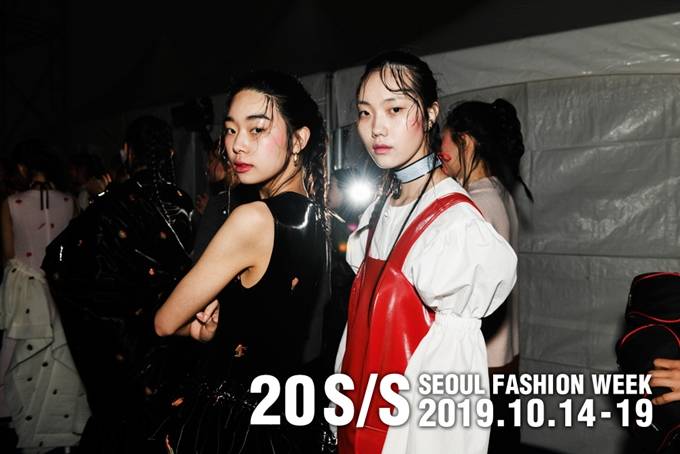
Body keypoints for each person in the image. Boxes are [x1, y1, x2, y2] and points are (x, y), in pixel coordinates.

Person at [337, 51, 517, 454]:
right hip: (357, 425)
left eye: (395, 108)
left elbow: (451, 395)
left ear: (431, 113)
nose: (376, 127)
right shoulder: (379, 208)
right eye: (365, 113)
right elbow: (353, 340)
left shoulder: (454, 226)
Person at [153, 70, 334, 453]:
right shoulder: (319, 218)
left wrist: (200, 331)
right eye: (231, 130)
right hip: (285, 421)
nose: (237, 145)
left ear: (298, 139)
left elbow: (165, 322)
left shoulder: (251, 219)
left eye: (257, 129)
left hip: (233, 423)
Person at [42, 116, 195, 453]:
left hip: (125, 336)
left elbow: (58, 260)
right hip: (176, 331)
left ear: (127, 151)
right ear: (170, 154)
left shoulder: (112, 202)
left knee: (124, 424)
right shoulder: (182, 203)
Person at [439, 99, 533, 451]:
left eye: (443, 140)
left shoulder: (474, 205)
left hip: (483, 363)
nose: (439, 152)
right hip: (504, 355)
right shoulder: (499, 193)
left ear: (465, 141)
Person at [0, 141, 89, 452]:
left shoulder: (11, 203)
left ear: (23, 168)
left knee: (24, 362)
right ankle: (62, 434)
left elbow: (8, 254)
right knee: (62, 364)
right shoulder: (70, 201)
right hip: (61, 293)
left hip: (28, 298)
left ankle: (26, 429)